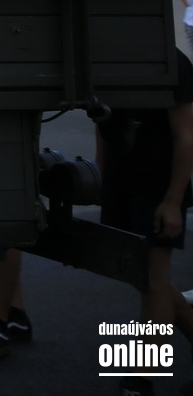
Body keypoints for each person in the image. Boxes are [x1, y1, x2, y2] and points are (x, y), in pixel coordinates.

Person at [95, 48, 193, 396]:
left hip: (157, 184)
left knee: (153, 280)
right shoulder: (104, 57)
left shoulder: (172, 62)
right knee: (146, 279)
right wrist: (99, 177)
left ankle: (140, 380)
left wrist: (173, 201)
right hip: (121, 182)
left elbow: (185, 135)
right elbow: (102, 123)